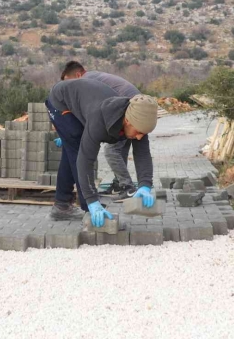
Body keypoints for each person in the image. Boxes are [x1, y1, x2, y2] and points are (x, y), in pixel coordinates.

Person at [47, 78, 157, 227]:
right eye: (138, 132)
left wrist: (145, 185)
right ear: (127, 121)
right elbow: (85, 160)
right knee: (77, 149)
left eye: (143, 134)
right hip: (61, 102)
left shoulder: (138, 119)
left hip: (84, 100)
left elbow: (142, 154)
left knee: (72, 149)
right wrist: (92, 202)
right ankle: (90, 209)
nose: (139, 137)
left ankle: (61, 205)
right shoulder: (99, 120)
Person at [60, 61, 144, 200]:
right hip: (134, 110)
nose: (68, 87)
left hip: (130, 113)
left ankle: (128, 188)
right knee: (119, 150)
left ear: (78, 74)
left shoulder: (85, 82)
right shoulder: (95, 77)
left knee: (111, 151)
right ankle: (119, 185)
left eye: (69, 82)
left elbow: (91, 113)